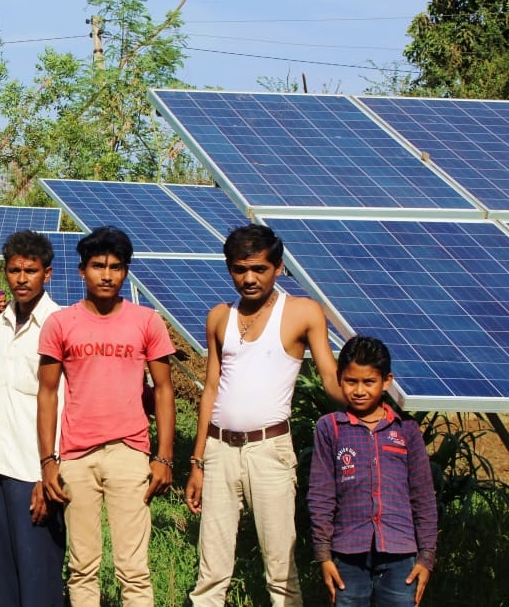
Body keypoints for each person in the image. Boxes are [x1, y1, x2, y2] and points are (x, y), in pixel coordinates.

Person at [186, 224, 342, 607]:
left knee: (281, 568)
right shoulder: (219, 317)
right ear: (229, 268)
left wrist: (369, 405)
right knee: (210, 571)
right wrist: (197, 461)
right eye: (240, 269)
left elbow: (329, 376)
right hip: (219, 450)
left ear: (278, 267)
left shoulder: (302, 312)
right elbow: (211, 389)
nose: (249, 279)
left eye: (259, 269)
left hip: (269, 450)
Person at [37, 226, 176, 606]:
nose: (107, 275)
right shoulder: (60, 323)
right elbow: (47, 393)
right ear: (82, 270)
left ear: (125, 272)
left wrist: (164, 457)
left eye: (116, 267)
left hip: (129, 452)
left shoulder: (146, 321)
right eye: (98, 266)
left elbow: (164, 390)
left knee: (134, 568)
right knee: (82, 567)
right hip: (76, 456)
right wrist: (48, 461)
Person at [308, 336, 437, 607]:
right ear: (339, 379)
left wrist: (426, 558)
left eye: (369, 382)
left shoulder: (406, 429)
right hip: (347, 554)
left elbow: (423, 496)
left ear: (386, 381)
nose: (359, 390)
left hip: (400, 554)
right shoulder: (329, 428)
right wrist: (324, 556)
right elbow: (321, 495)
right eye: (351, 381)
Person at [0, 230, 66, 605]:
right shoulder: (0, 325)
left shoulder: (58, 323)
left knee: (38, 577)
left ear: (47, 274)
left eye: (30, 271)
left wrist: (48, 472)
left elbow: (63, 402)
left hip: (35, 469)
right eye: (14, 270)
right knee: (4, 579)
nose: (21, 279)